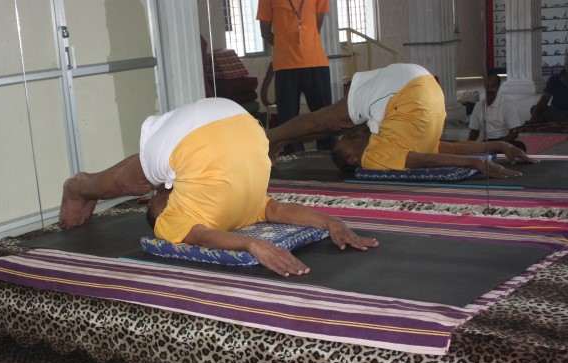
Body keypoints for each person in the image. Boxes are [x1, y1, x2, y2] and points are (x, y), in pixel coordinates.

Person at [59, 98, 378, 277]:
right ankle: (83, 186)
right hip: (241, 122)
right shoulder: (193, 217)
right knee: (145, 175)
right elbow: (280, 210)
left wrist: (250, 244)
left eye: (158, 197)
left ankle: (80, 188)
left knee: (141, 177)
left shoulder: (170, 223)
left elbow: (203, 236)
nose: (157, 196)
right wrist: (329, 222)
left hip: (227, 128)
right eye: (156, 202)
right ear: (159, 210)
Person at [266, 63, 538, 178]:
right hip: (419, 87)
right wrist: (497, 148)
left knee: (329, 121)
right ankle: (273, 139)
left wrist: (481, 160)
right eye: (350, 140)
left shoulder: (377, 152)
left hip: (423, 91)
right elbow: (440, 153)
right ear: (353, 158)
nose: (355, 133)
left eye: (349, 137)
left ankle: (272, 138)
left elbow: (434, 157)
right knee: (327, 121)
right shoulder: (375, 155)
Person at [257, 0, 332, 153]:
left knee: (325, 118)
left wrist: (305, 43)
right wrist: (284, 45)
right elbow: (265, 32)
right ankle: (294, 160)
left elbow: (317, 25)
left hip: (316, 62)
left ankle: (327, 156)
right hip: (286, 66)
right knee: (288, 122)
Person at [468, 73, 527, 152]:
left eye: (493, 86)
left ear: (498, 87)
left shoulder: (507, 105)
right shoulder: (479, 105)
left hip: (504, 141)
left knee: (520, 146)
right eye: (487, 86)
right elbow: (474, 131)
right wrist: (467, 146)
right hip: (486, 143)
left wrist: (499, 145)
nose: (489, 89)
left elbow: (514, 132)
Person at [529, 52, 568, 127]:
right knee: (534, 109)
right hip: (558, 112)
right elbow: (544, 99)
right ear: (565, 64)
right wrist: (534, 116)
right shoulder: (554, 79)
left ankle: (564, 121)